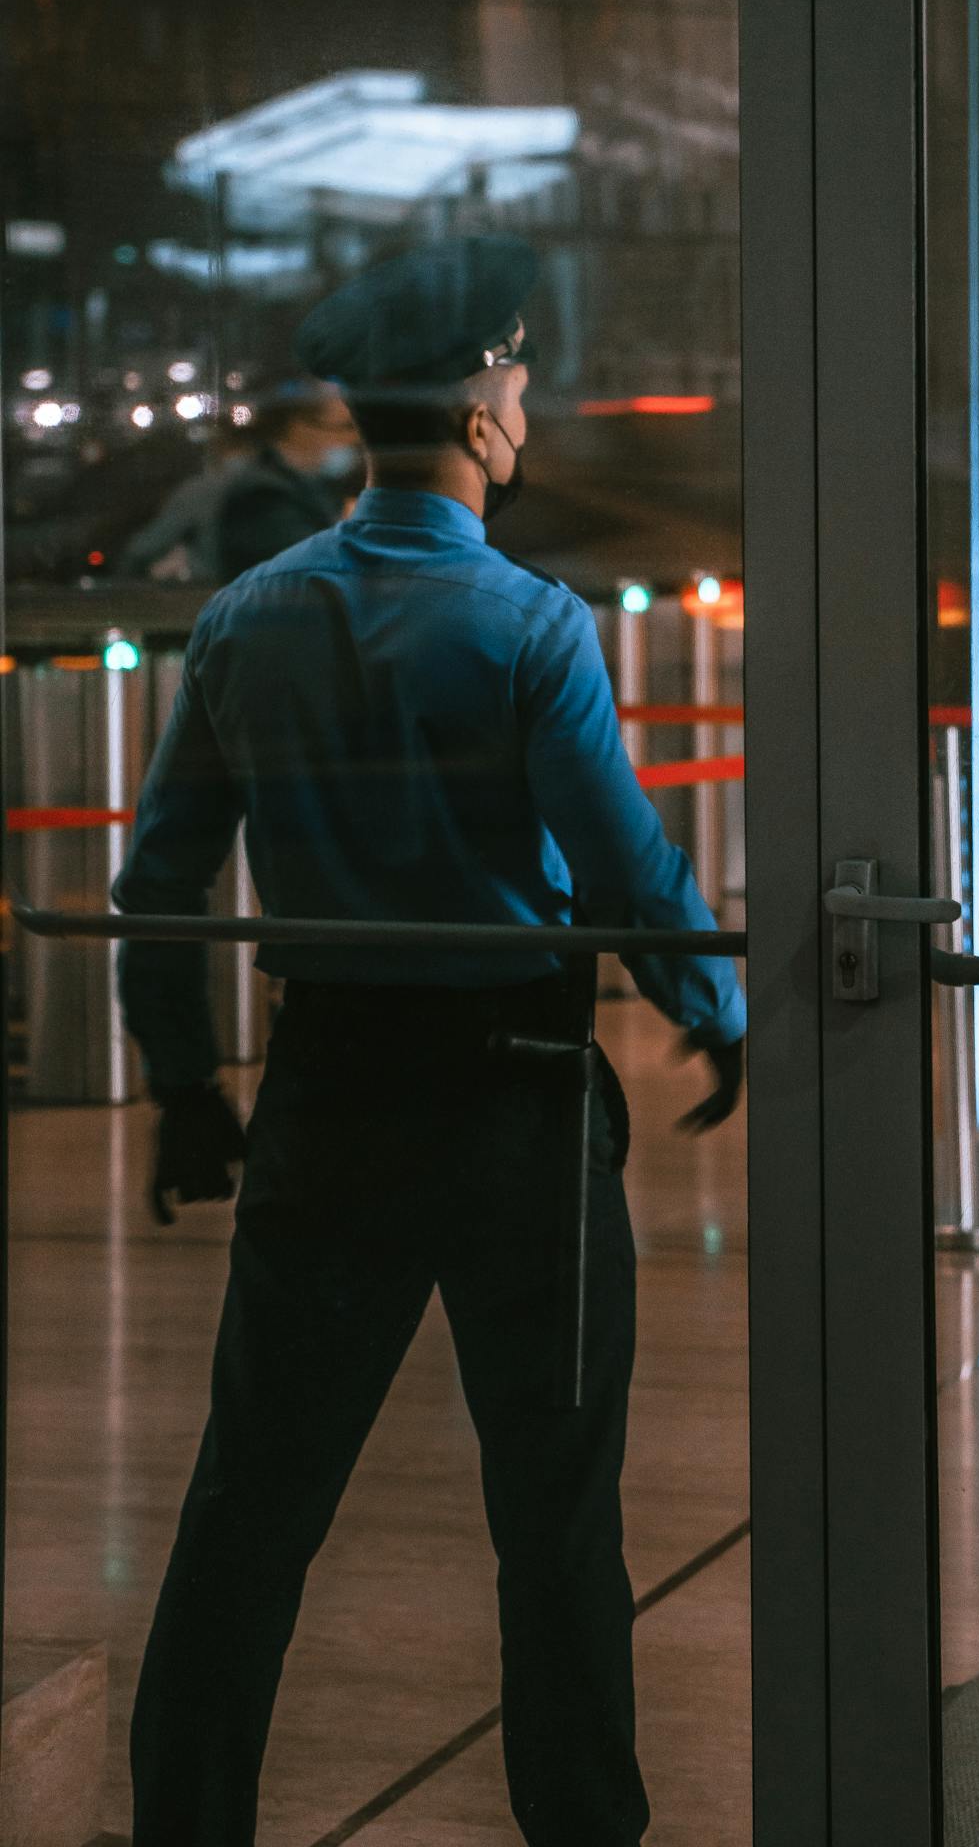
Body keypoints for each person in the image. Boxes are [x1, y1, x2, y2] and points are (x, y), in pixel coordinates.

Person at [112, 234, 745, 1846]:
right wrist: (716, 1007)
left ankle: (188, 1823)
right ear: (479, 412)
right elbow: (622, 869)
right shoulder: (528, 626)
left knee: (250, 1505)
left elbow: (159, 881)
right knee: (553, 1525)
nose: (525, 406)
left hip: (328, 1094)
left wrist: (186, 1084)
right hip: (515, 1112)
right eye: (518, 381)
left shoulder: (246, 623)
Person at [116, 381, 361, 584]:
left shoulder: (312, 489)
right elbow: (314, 568)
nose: (355, 438)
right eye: (346, 427)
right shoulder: (262, 497)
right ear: (299, 427)